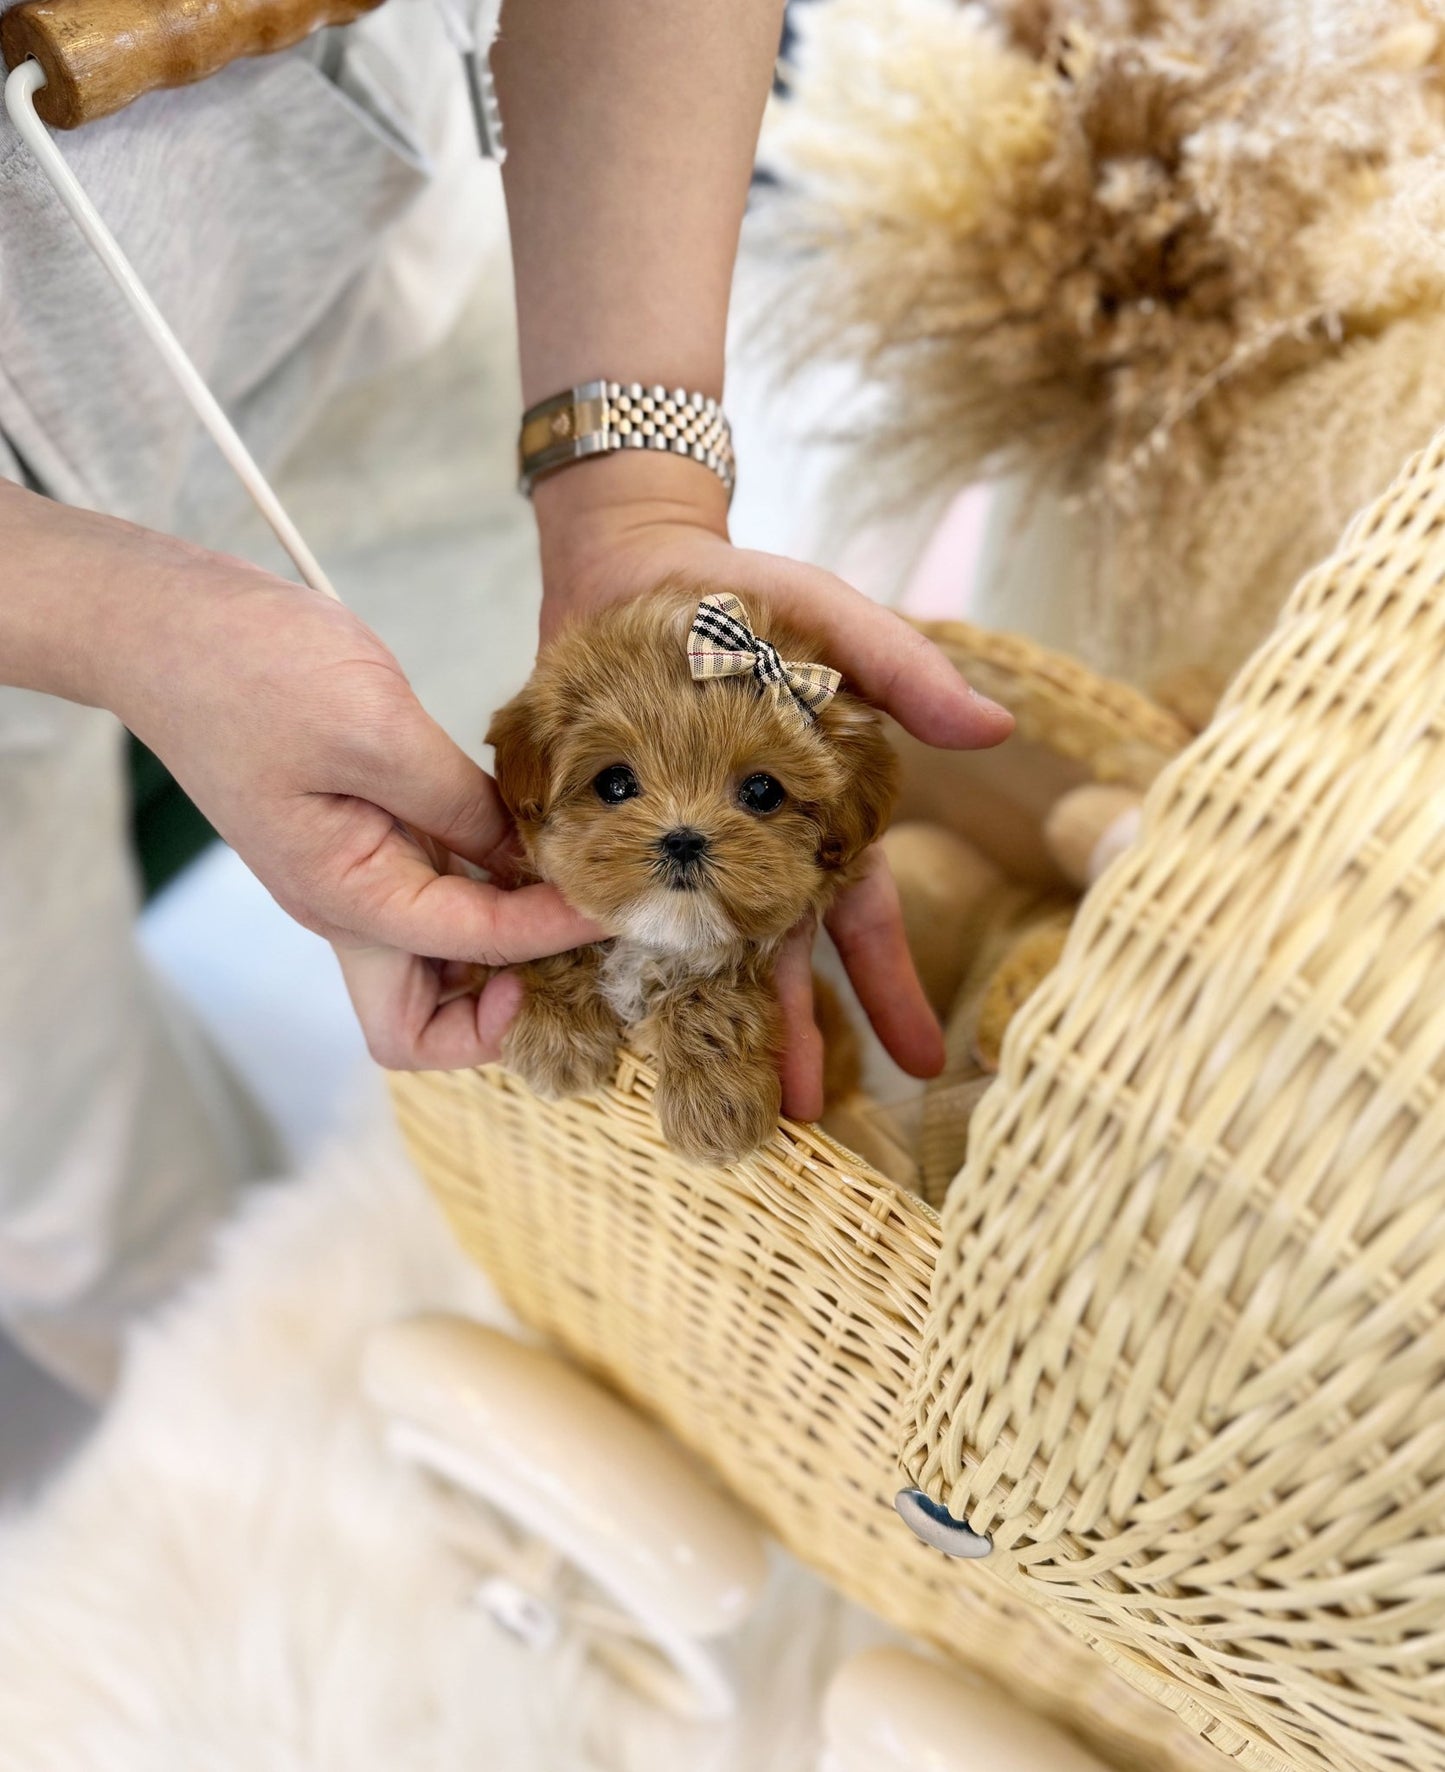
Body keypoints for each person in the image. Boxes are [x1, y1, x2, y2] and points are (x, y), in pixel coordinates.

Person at [0, 0, 1011, 1396]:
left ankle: (520, 1292)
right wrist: (113, 620)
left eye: (762, 797)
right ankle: (251, 1393)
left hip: (352, 219)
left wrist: (633, 489)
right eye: (609, 789)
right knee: (63, 1149)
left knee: (497, 810)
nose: (677, 827)